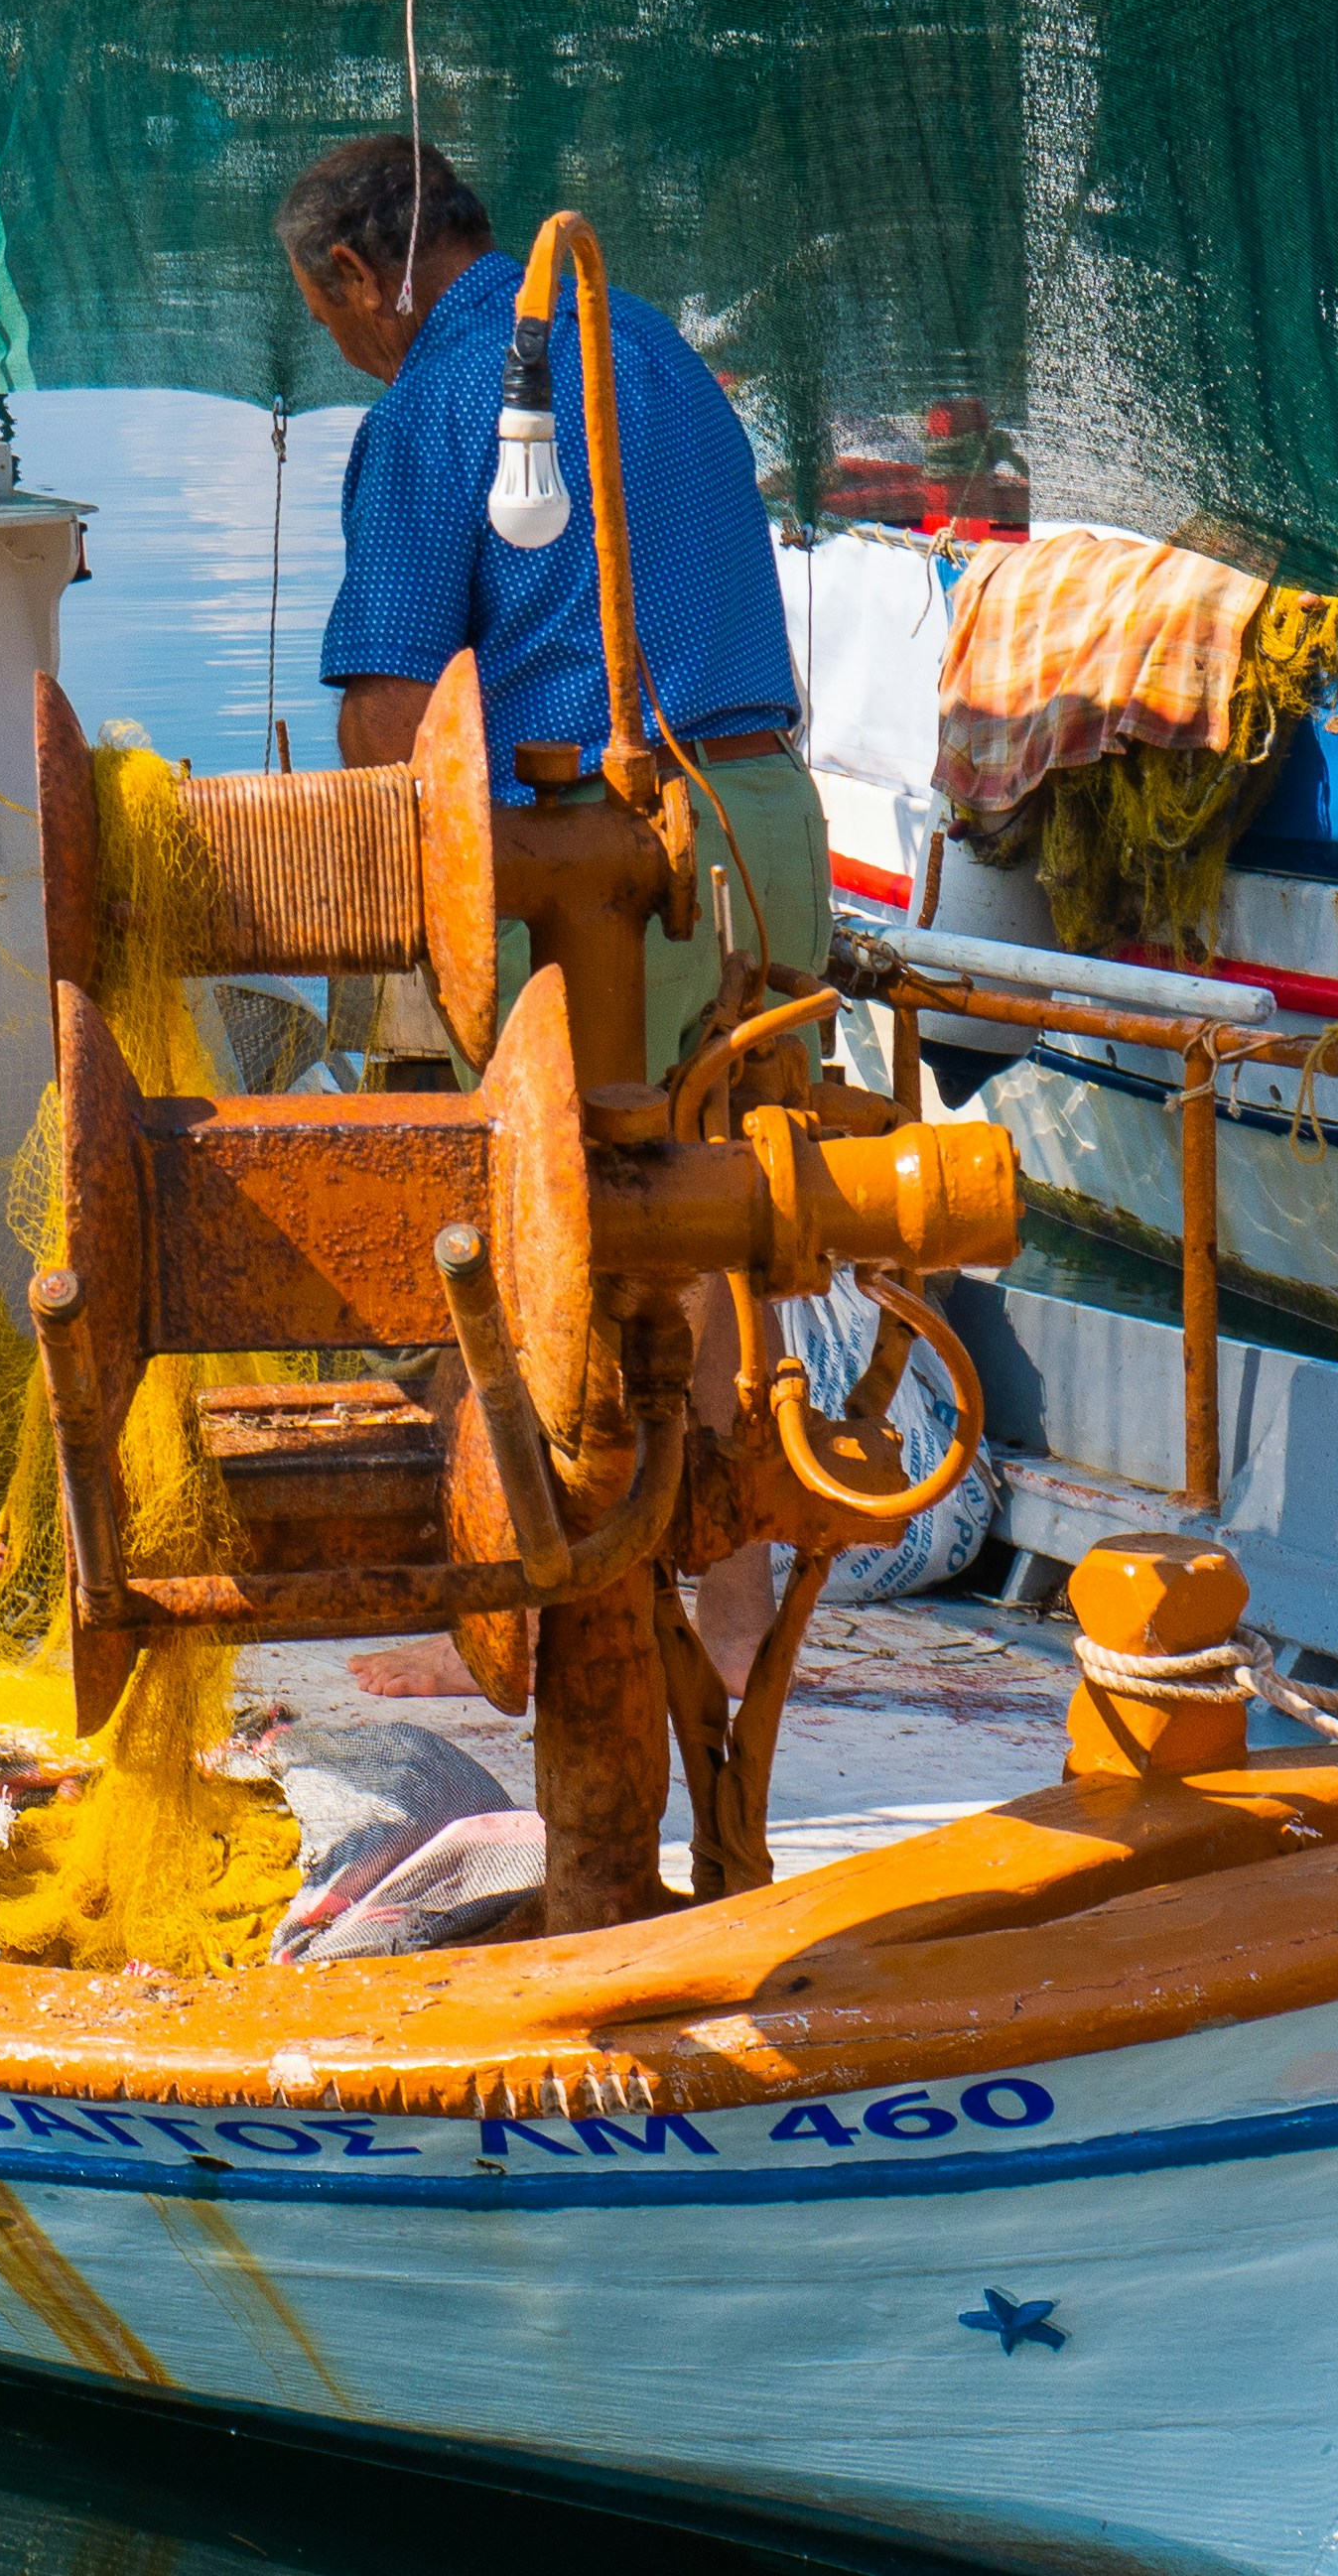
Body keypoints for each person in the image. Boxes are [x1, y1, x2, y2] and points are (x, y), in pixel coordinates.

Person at [279, 134, 825, 1695]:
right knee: (725, 1222)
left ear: (352, 277)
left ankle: (533, 1601)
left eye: (331, 323)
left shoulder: (435, 402)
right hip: (765, 824)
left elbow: (397, 721)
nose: (346, 348)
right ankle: (720, 1621)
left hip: (589, 850)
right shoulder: (650, 345)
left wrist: (399, 935)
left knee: (521, 1217)